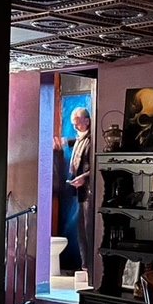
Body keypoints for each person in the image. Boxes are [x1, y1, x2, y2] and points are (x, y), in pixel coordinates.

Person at [54, 107, 93, 271]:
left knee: (87, 230)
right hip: (79, 192)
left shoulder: (91, 140)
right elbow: (76, 140)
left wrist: (84, 178)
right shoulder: (80, 138)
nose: (76, 127)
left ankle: (90, 267)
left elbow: (94, 166)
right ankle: (85, 266)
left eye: (78, 124)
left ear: (87, 122)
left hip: (88, 192)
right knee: (81, 232)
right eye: (74, 125)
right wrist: (63, 142)